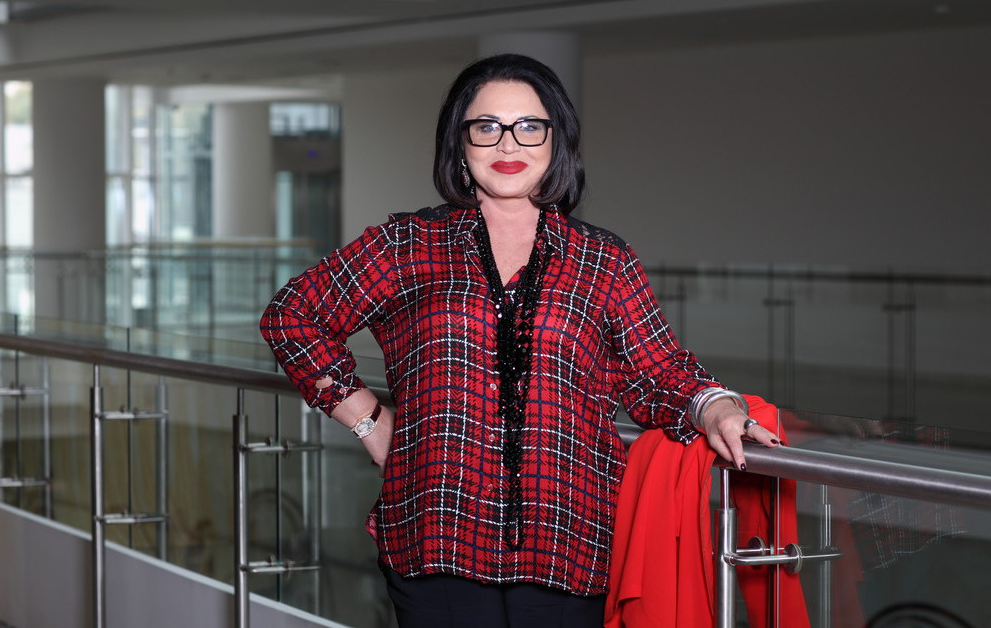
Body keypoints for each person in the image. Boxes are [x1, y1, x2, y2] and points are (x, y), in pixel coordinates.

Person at [260, 53, 781, 628]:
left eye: (530, 126)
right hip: (436, 530)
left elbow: (658, 371)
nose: (508, 144)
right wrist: (369, 421)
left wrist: (715, 406)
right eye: (486, 127)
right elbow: (291, 317)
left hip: (570, 535)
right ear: (459, 143)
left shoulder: (602, 259)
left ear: (557, 139)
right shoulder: (406, 244)